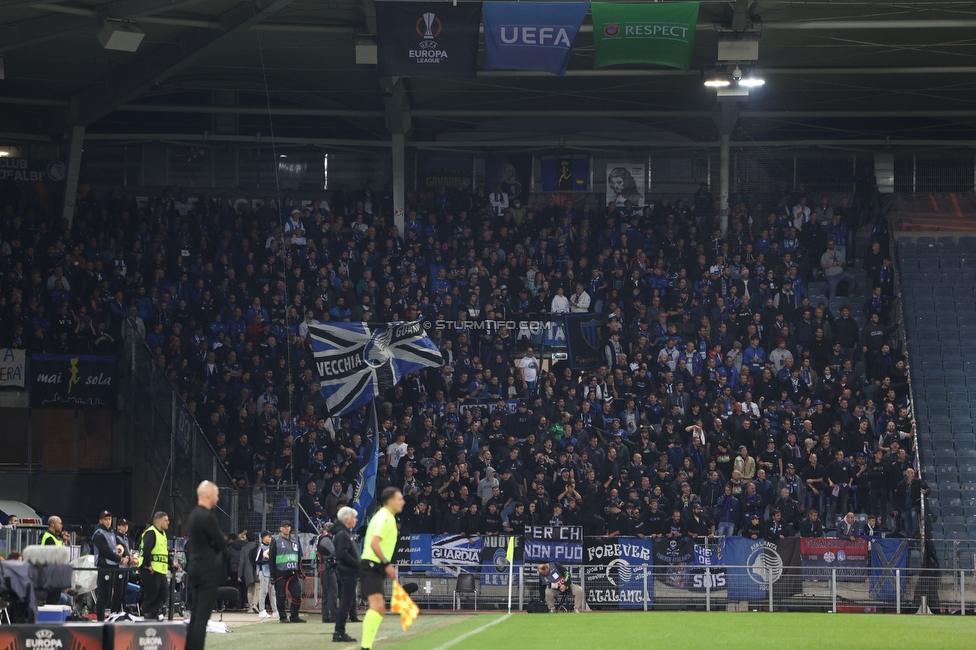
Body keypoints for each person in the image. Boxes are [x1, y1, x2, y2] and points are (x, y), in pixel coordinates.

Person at [359, 487, 406, 650]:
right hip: (372, 564)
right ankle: (365, 646)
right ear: (391, 501)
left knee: (379, 608)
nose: (403, 502)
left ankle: (366, 645)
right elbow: (374, 543)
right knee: (377, 607)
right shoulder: (385, 518)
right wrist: (387, 564)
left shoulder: (386, 517)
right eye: (400, 499)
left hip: (374, 565)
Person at [186, 481, 227, 650]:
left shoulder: (194, 515)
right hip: (206, 572)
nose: (217, 498)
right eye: (216, 494)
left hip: (196, 568)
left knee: (196, 615)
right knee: (202, 617)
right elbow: (221, 544)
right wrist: (217, 541)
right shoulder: (206, 517)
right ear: (209, 495)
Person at [331, 506, 359, 643]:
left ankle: (339, 631)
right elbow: (342, 554)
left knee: (346, 603)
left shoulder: (343, 533)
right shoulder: (342, 534)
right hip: (347, 572)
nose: (356, 520)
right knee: (345, 603)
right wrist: (357, 563)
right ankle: (339, 632)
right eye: (354, 517)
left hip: (349, 571)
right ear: (347, 519)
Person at [140, 511, 174, 620]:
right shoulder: (151, 532)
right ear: (159, 521)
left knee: (163, 595)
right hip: (151, 570)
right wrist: (148, 565)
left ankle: (152, 614)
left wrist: (172, 563)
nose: (168, 522)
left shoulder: (162, 534)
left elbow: (164, 551)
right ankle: (147, 614)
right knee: (152, 595)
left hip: (160, 570)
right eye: (166, 520)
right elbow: (146, 549)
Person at [269, 520, 305, 623]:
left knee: (297, 594)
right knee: (281, 596)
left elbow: (298, 557)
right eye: (284, 526)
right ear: (280, 528)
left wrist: (300, 571)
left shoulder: (294, 541)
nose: (287, 528)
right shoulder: (276, 541)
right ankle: (283, 617)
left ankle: (294, 616)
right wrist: (273, 575)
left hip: (293, 572)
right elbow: (271, 558)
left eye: (288, 526)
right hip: (280, 572)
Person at [92, 510, 126, 621]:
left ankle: (113, 616)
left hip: (113, 566)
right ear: (101, 520)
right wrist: (119, 559)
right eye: (106, 519)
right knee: (103, 595)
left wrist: (121, 551)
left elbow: (115, 546)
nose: (108, 521)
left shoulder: (110, 532)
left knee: (113, 594)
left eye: (110, 519)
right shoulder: (99, 533)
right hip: (104, 566)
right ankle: (100, 619)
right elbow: (105, 551)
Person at [316, 522, 338, 624]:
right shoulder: (326, 539)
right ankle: (332, 616)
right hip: (328, 568)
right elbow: (334, 552)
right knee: (332, 592)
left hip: (325, 568)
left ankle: (327, 617)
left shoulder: (323, 538)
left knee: (327, 593)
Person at [254, 531, 279, 619]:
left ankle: (275, 611)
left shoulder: (272, 547)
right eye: (268, 536)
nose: (270, 538)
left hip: (271, 572)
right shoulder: (261, 548)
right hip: (263, 572)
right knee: (263, 592)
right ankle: (261, 610)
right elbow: (257, 561)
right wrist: (267, 560)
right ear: (263, 537)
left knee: (273, 593)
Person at [110, 519, 133, 614]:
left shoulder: (126, 538)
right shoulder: (116, 537)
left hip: (126, 567)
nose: (125, 527)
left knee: (124, 591)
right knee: (118, 591)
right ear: (118, 526)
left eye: (127, 525)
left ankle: (122, 611)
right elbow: (119, 549)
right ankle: (114, 611)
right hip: (119, 567)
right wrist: (126, 556)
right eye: (123, 525)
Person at [40, 515, 65, 604]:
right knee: (52, 601)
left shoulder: (55, 538)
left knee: (56, 599)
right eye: (59, 523)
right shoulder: (49, 538)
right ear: (53, 524)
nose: (61, 526)